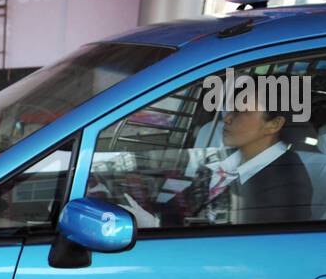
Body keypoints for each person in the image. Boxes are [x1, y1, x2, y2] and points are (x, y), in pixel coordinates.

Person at [123, 93, 313, 228]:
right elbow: (180, 208)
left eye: (242, 111)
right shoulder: (228, 161)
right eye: (231, 110)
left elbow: (235, 249)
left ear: (274, 124)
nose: (228, 118)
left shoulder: (287, 184)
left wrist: (154, 226)